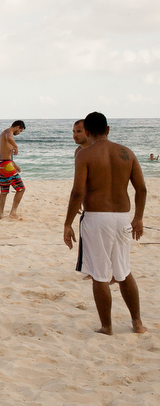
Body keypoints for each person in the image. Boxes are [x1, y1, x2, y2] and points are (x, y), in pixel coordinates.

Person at [63, 112, 147, 335]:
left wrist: (67, 223)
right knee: (124, 271)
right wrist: (138, 218)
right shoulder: (127, 153)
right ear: (108, 130)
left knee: (100, 275)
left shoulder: (85, 154)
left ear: (87, 132)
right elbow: (142, 189)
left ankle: (107, 326)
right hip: (122, 217)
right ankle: (137, 323)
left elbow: (77, 192)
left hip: (97, 218)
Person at [0, 120, 26, 219]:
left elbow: (3, 153)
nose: (19, 133)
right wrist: (16, 146)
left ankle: (0, 213)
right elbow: (10, 138)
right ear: (18, 127)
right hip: (7, 165)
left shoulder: (2, 134)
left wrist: (14, 165)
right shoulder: (9, 132)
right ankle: (13, 212)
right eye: (20, 131)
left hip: (1, 164)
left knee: (4, 191)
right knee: (21, 189)